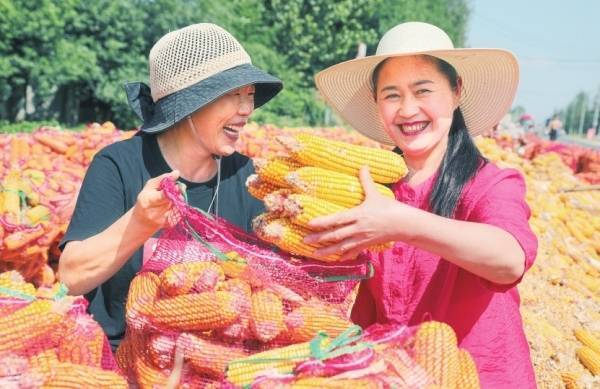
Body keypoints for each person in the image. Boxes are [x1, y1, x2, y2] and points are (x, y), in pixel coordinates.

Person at [309, 22, 537, 387]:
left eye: (423, 90)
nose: (408, 109)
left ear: (456, 90)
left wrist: (403, 223)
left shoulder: (490, 184)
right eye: (392, 95)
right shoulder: (371, 190)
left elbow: (508, 261)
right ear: (376, 102)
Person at [58, 23, 282, 350]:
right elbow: (71, 277)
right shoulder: (118, 165)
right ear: (190, 102)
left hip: (215, 362)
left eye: (249, 95)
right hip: (122, 361)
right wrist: (140, 222)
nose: (247, 110)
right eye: (234, 95)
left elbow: (274, 286)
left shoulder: (248, 178)